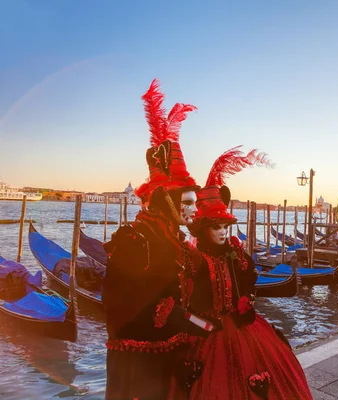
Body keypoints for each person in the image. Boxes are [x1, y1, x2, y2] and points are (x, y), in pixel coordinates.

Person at [102, 79, 211, 399]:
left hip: (168, 359)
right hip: (139, 366)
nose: (194, 210)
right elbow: (132, 308)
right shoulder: (136, 241)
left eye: (194, 202)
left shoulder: (173, 241)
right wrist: (202, 327)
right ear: (166, 201)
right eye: (187, 203)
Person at [183, 147, 312, 400]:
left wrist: (246, 300)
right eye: (216, 228)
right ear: (204, 230)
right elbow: (186, 298)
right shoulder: (195, 259)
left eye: (225, 227)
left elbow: (248, 281)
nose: (222, 232)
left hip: (242, 327)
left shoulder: (236, 255)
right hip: (205, 332)